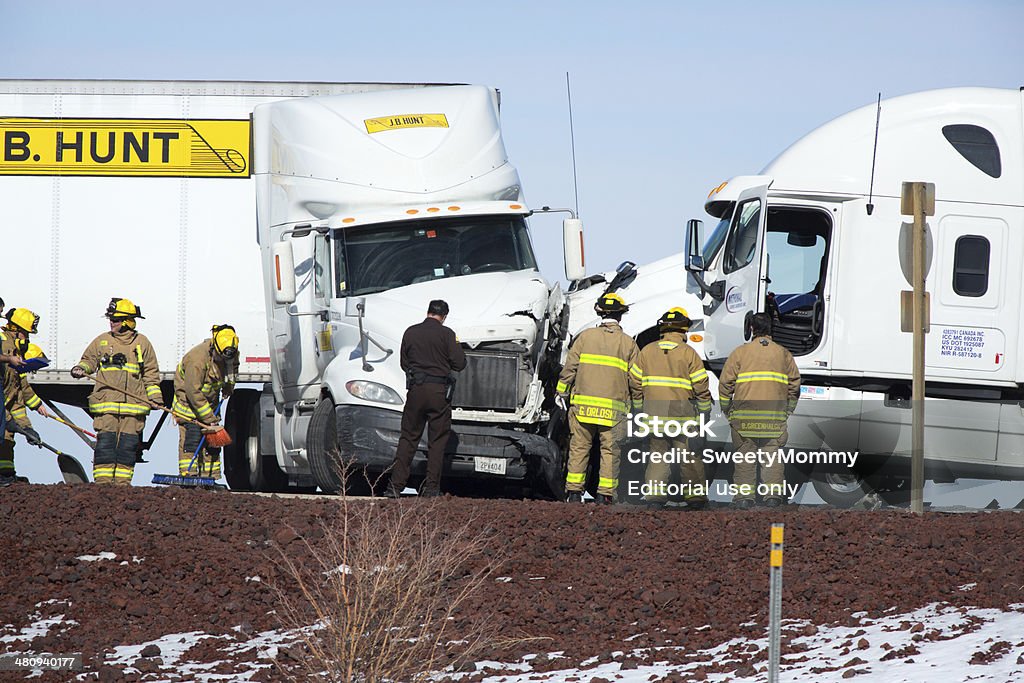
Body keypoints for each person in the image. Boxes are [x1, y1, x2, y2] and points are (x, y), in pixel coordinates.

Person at [557, 292, 642, 505]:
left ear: (599, 312)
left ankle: (574, 493)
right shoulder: (628, 344)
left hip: (583, 408)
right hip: (614, 412)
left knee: (579, 447)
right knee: (611, 451)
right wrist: (638, 406)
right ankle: (605, 495)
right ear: (621, 316)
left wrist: (561, 392)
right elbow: (636, 381)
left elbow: (569, 369)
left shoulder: (584, 338)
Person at [71, 298, 162, 485]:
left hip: (133, 407)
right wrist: (81, 368)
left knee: (127, 446)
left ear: (128, 321)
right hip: (107, 404)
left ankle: (122, 486)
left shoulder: (142, 343)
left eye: (116, 319)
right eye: (111, 319)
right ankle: (102, 484)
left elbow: (151, 374)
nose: (112, 322)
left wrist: (155, 398)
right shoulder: (102, 341)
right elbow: (89, 360)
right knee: (106, 443)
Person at [718, 312, 801, 509]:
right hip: (773, 419)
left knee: (745, 457)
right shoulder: (783, 354)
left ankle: (744, 499)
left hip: (744, 419)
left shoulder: (739, 353)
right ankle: (773, 497)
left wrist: (727, 411)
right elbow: (795, 386)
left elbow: (724, 385)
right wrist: (787, 411)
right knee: (772, 456)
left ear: (751, 329)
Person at [386, 300, 467, 498]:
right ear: (444, 316)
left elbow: (404, 363)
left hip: (416, 390)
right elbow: (460, 363)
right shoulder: (448, 334)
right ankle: (431, 488)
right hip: (439, 393)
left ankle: (394, 487)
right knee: (437, 442)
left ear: (428, 312)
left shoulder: (410, 332)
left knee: (408, 438)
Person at [637, 307, 712, 510]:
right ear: (683, 330)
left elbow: (635, 383)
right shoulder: (689, 354)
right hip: (682, 418)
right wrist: (705, 413)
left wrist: (638, 409)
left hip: (653, 416)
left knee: (657, 458)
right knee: (689, 458)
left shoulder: (646, 351)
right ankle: (696, 500)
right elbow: (701, 389)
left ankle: (654, 499)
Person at [171, 325, 239, 479]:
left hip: (211, 405)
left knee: (212, 447)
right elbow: (193, 392)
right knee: (191, 441)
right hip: (189, 407)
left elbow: (232, 370)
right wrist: (210, 419)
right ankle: (189, 476)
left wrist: (229, 387)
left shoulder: (231, 353)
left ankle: (211, 477)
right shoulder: (197, 360)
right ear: (214, 348)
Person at [1, 311, 50, 484]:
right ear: (16, 330)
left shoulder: (14, 351)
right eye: (26, 333)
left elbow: (19, 391)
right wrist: (7, 419)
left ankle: (6, 476)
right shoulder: (5, 348)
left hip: (4, 409)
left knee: (7, 440)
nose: (27, 338)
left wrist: (28, 428)